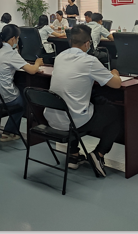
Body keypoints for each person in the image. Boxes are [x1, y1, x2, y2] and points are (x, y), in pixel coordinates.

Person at [44, 24, 122, 177]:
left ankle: (73, 155)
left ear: (70, 41)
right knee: (114, 113)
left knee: (75, 101)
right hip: (72, 122)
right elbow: (116, 84)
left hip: (52, 118)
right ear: (87, 43)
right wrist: (114, 73)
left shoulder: (59, 57)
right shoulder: (90, 61)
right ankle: (98, 154)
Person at [0, 24, 43, 142]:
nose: (17, 41)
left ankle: (10, 132)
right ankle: (9, 132)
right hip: (4, 98)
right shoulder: (10, 53)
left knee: (19, 89)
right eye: (17, 39)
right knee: (24, 100)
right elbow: (32, 70)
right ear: (13, 39)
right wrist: (37, 63)